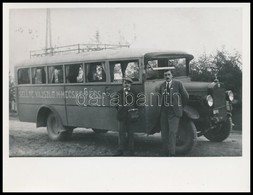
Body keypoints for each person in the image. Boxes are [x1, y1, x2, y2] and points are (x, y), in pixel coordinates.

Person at [159, 69, 189, 156]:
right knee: (164, 132)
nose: (167, 76)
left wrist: (180, 106)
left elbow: (186, 96)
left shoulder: (178, 84)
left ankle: (171, 153)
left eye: (169, 74)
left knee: (172, 132)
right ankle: (165, 152)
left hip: (174, 111)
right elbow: (160, 95)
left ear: (172, 75)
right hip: (164, 111)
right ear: (164, 77)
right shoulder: (162, 86)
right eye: (165, 75)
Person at [114, 77, 138, 156]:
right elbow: (116, 103)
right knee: (121, 133)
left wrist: (133, 110)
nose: (126, 84)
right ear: (123, 84)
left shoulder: (134, 92)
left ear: (130, 84)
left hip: (131, 116)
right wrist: (120, 109)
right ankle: (120, 150)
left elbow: (138, 103)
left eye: (128, 83)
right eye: (125, 83)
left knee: (131, 133)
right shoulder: (119, 92)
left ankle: (131, 150)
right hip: (122, 116)